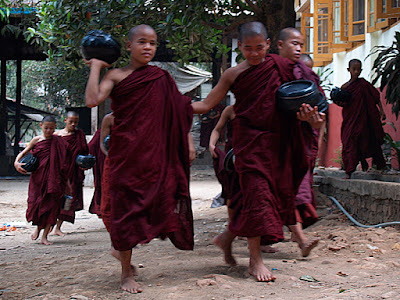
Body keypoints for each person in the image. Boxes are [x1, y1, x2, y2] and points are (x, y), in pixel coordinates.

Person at [192, 21, 324, 282]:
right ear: (239, 46)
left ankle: (226, 238)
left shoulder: (281, 66)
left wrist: (313, 120)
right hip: (250, 143)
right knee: (257, 197)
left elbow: (304, 103)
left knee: (268, 196)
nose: (254, 54)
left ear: (268, 45)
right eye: (248, 48)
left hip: (280, 144)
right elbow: (207, 103)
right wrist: (172, 104)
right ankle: (255, 260)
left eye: (260, 48)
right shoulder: (233, 74)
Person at [85, 24, 194, 293]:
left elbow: (180, 110)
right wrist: (96, 67)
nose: (148, 47)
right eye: (142, 42)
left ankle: (122, 252)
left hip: (154, 157)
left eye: (153, 43)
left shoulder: (161, 78)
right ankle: (125, 274)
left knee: (154, 204)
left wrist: (189, 141)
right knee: (123, 213)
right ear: (129, 45)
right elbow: (92, 101)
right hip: (125, 156)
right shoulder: (116, 75)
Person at [277, 27, 322, 253]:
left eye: (301, 45)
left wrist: (313, 121)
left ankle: (300, 238)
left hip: (298, 143)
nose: (297, 48)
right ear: (279, 45)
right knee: (281, 190)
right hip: (273, 143)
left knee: (294, 189)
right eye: (293, 44)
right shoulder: (267, 71)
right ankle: (301, 239)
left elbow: (319, 110)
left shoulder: (307, 75)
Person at [14, 115, 69, 245]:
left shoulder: (59, 142)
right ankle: (38, 229)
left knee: (51, 207)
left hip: (54, 180)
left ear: (55, 127)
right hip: (38, 179)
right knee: (38, 204)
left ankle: (44, 236)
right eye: (46, 128)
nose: (48, 131)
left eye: (51, 128)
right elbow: (23, 153)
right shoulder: (37, 140)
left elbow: (65, 161)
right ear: (41, 126)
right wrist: (17, 163)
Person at [340, 59, 386, 178]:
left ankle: (378, 165)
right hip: (351, 120)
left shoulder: (364, 84)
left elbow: (376, 98)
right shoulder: (345, 87)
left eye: (358, 69)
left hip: (365, 120)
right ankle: (349, 171)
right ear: (348, 70)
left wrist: (382, 111)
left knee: (369, 139)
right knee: (349, 143)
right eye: (354, 69)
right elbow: (342, 103)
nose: (356, 72)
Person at [53, 111, 89, 236]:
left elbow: (84, 152)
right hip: (59, 172)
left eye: (76, 122)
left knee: (69, 200)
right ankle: (48, 226)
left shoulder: (79, 135)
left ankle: (58, 227)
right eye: (71, 121)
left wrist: (84, 165)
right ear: (65, 121)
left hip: (74, 173)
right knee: (55, 199)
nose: (73, 124)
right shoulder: (57, 136)